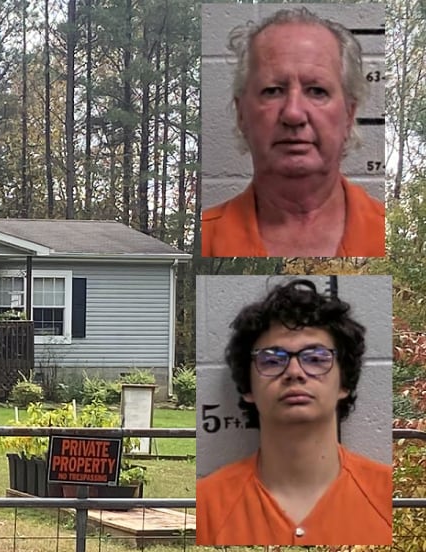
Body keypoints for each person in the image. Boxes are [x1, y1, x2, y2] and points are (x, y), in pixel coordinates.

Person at [195, 279, 392, 546]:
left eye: (316, 358)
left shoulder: (389, 497)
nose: (295, 373)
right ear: (247, 387)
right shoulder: (207, 504)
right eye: (272, 360)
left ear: (344, 383)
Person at [201, 8, 385, 257]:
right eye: (273, 90)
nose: (294, 114)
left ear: (349, 115)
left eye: (317, 91)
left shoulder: (386, 232)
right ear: (242, 113)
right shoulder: (205, 239)